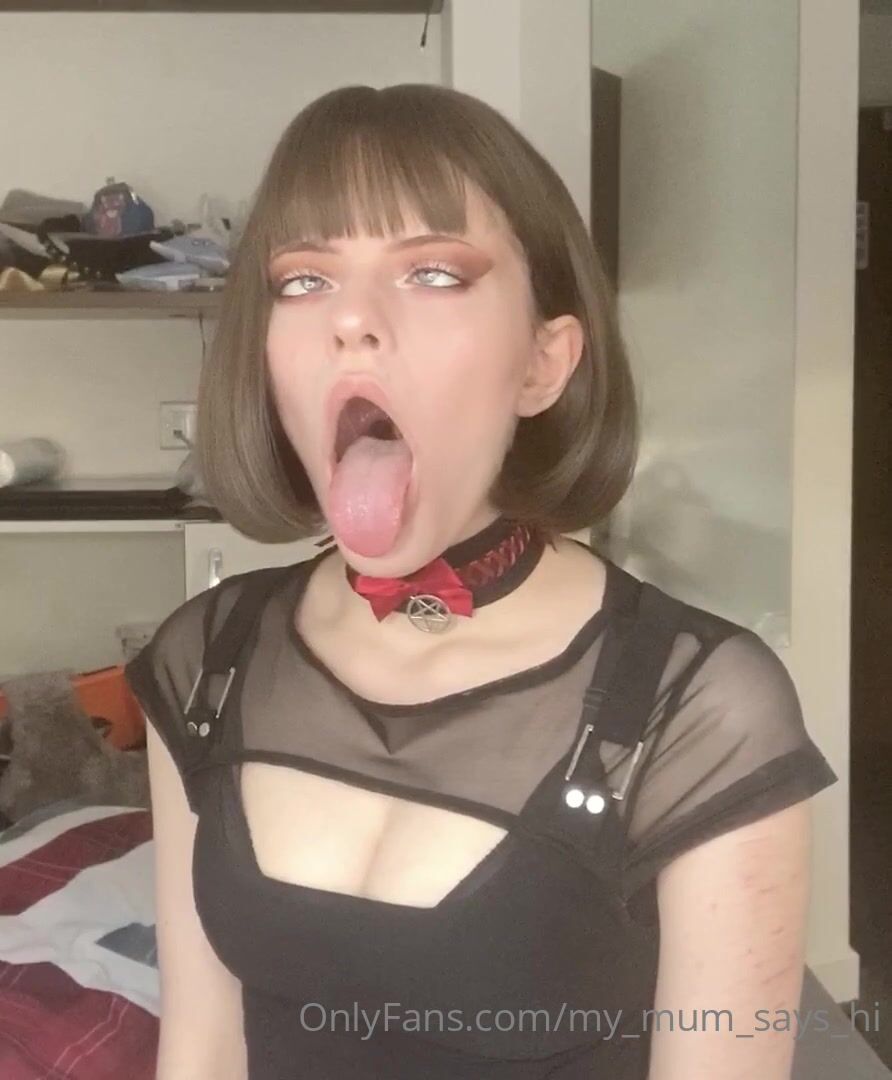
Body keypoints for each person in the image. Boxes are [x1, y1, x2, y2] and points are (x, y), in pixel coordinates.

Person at [125, 83, 838, 1080]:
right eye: (304, 280)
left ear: (543, 364)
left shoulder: (699, 706)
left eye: (432, 272)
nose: (351, 321)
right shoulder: (207, 660)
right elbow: (201, 1048)